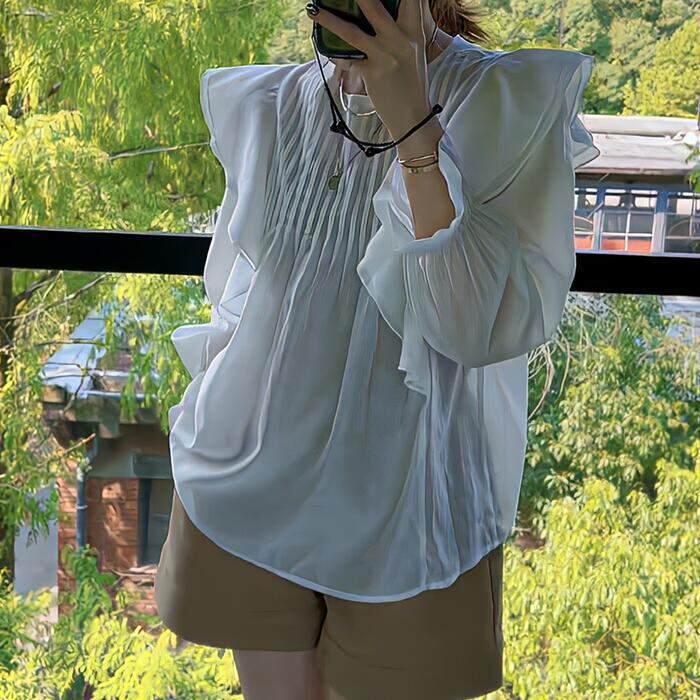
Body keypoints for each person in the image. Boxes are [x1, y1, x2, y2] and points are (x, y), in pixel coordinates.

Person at [154, 1, 601, 698]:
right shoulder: (272, 102)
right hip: (248, 480)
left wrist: (415, 127)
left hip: (413, 511)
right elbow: (245, 299)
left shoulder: (508, 102)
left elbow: (470, 329)